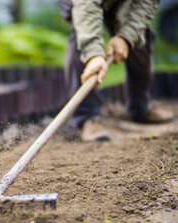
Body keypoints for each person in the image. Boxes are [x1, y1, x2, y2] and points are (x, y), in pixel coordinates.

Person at [59, 0, 174, 142]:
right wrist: (93, 55)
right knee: (80, 33)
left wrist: (126, 37)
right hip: (83, 4)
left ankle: (140, 108)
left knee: (139, 37)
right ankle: (87, 118)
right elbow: (86, 8)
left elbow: (146, 3)